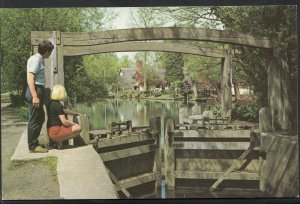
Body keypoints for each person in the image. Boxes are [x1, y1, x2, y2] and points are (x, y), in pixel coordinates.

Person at [25, 40, 54, 153]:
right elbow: (30, 78)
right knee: (34, 119)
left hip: (38, 90)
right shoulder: (36, 60)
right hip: (35, 90)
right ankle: (32, 146)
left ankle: (34, 142)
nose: (50, 54)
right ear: (46, 51)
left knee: (40, 117)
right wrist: (34, 96)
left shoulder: (37, 59)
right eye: (50, 51)